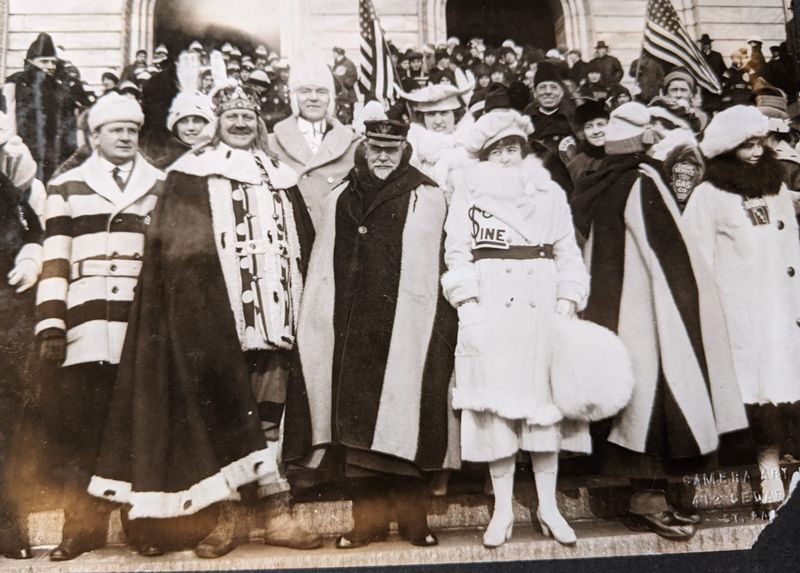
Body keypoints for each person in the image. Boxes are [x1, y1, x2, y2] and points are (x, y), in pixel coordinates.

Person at [87, 84, 321, 558]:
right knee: (224, 412)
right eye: (231, 115)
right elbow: (175, 256)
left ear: (259, 124)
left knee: (273, 412)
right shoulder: (191, 175)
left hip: (279, 317)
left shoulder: (282, 175)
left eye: (248, 117)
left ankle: (277, 513)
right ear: (217, 122)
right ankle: (227, 517)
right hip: (218, 320)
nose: (240, 123)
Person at [286, 118, 457, 549]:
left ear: (405, 151)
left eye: (392, 150)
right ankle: (366, 522)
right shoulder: (342, 195)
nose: (383, 157)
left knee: (406, 419)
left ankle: (413, 519)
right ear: (364, 148)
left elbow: (437, 258)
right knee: (358, 428)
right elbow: (325, 264)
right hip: (353, 327)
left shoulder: (427, 194)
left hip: (408, 325)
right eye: (376, 149)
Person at [442, 107, 590, 548]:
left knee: (544, 407)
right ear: (485, 157)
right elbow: (457, 255)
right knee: (495, 411)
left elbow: (569, 251)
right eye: (498, 151)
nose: (507, 157)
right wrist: (468, 305)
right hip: (492, 305)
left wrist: (568, 298)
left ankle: (548, 506)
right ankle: (503, 509)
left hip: (543, 304)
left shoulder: (549, 194)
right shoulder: (468, 195)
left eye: (514, 149)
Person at [34, 93, 164, 560]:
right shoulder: (67, 187)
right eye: (116, 130)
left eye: (132, 129)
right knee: (82, 432)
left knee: (138, 431)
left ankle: (141, 526)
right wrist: (51, 323)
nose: (126, 137)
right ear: (95, 137)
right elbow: (55, 262)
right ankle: (80, 529)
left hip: (139, 326)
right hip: (85, 326)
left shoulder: (161, 186)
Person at [684, 107, 800, 513]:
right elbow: (698, 258)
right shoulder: (709, 195)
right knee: (749, 394)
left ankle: (772, 464)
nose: (755, 152)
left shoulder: (777, 188)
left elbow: (792, 249)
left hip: (779, 308)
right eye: (745, 145)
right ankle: (756, 469)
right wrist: (709, 313)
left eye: (758, 143)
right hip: (738, 313)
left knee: (780, 392)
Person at [0, 138, 43, 561]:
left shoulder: (5, 186)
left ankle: (8, 525)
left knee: (9, 422)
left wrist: (31, 254)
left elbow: (31, 225)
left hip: (5, 314)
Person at [268, 59, 359, 228]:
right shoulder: (270, 143)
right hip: (291, 239)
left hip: (334, 241)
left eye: (322, 91)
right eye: (305, 91)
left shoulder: (353, 144)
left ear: (330, 98)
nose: (314, 98)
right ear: (294, 97)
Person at [2, 33, 77, 183]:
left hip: (55, 160)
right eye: (44, 61)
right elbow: (7, 119)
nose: (50, 67)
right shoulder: (15, 85)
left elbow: (69, 131)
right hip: (21, 158)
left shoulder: (61, 92)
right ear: (30, 62)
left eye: (53, 62)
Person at [403, 83, 470, 202]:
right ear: (422, 117)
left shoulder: (470, 145)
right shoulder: (413, 151)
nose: (438, 121)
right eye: (431, 114)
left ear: (456, 114)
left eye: (444, 113)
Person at [566, 100, 608, 183]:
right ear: (583, 132)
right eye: (589, 127)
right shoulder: (577, 164)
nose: (596, 131)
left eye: (600, 124)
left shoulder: (623, 156)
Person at [332, 47, 358, 125]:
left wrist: (345, 85)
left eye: (334, 52)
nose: (333, 54)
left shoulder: (349, 63)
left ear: (339, 53)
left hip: (347, 95)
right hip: (339, 95)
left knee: (347, 116)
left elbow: (353, 76)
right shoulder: (335, 63)